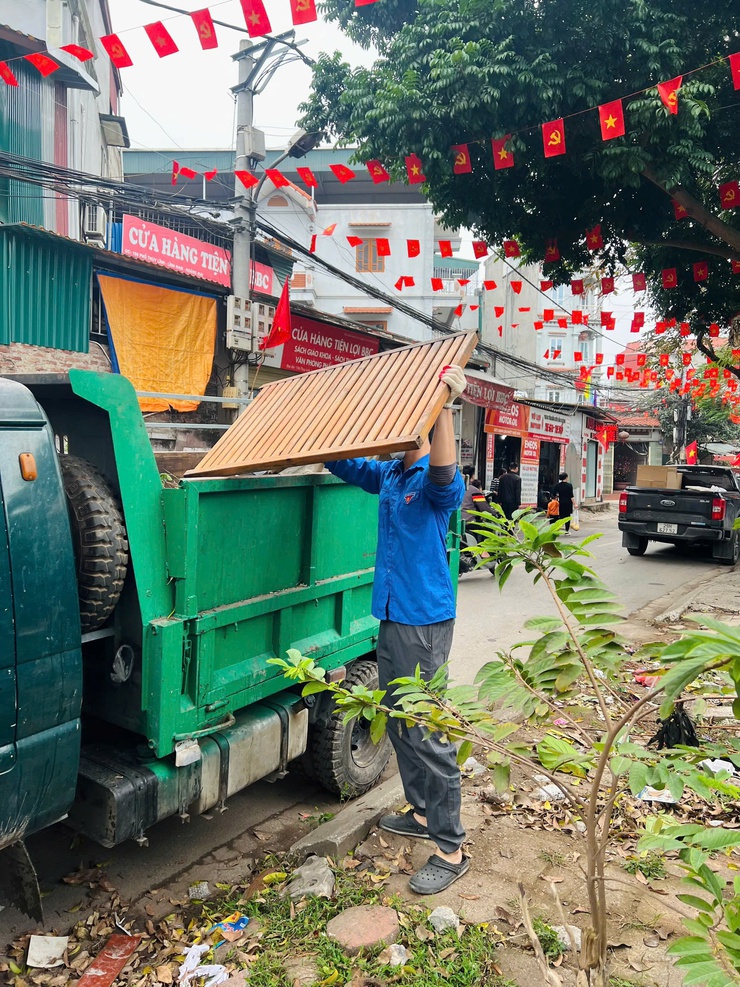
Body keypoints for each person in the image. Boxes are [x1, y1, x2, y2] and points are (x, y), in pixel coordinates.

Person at [324, 364, 470, 895]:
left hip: (424, 620)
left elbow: (444, 476)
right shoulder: (389, 473)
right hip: (391, 614)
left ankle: (451, 848)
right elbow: (342, 463)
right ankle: (422, 811)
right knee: (398, 718)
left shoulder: (435, 480)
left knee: (425, 728)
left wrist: (446, 406)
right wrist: (321, 418)